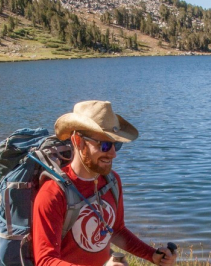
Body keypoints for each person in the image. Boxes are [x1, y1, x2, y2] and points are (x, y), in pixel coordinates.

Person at [32, 100, 178, 266]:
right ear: (78, 141)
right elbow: (45, 261)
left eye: (116, 144)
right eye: (105, 145)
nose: (113, 153)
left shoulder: (112, 182)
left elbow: (116, 231)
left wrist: (152, 255)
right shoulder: (53, 194)